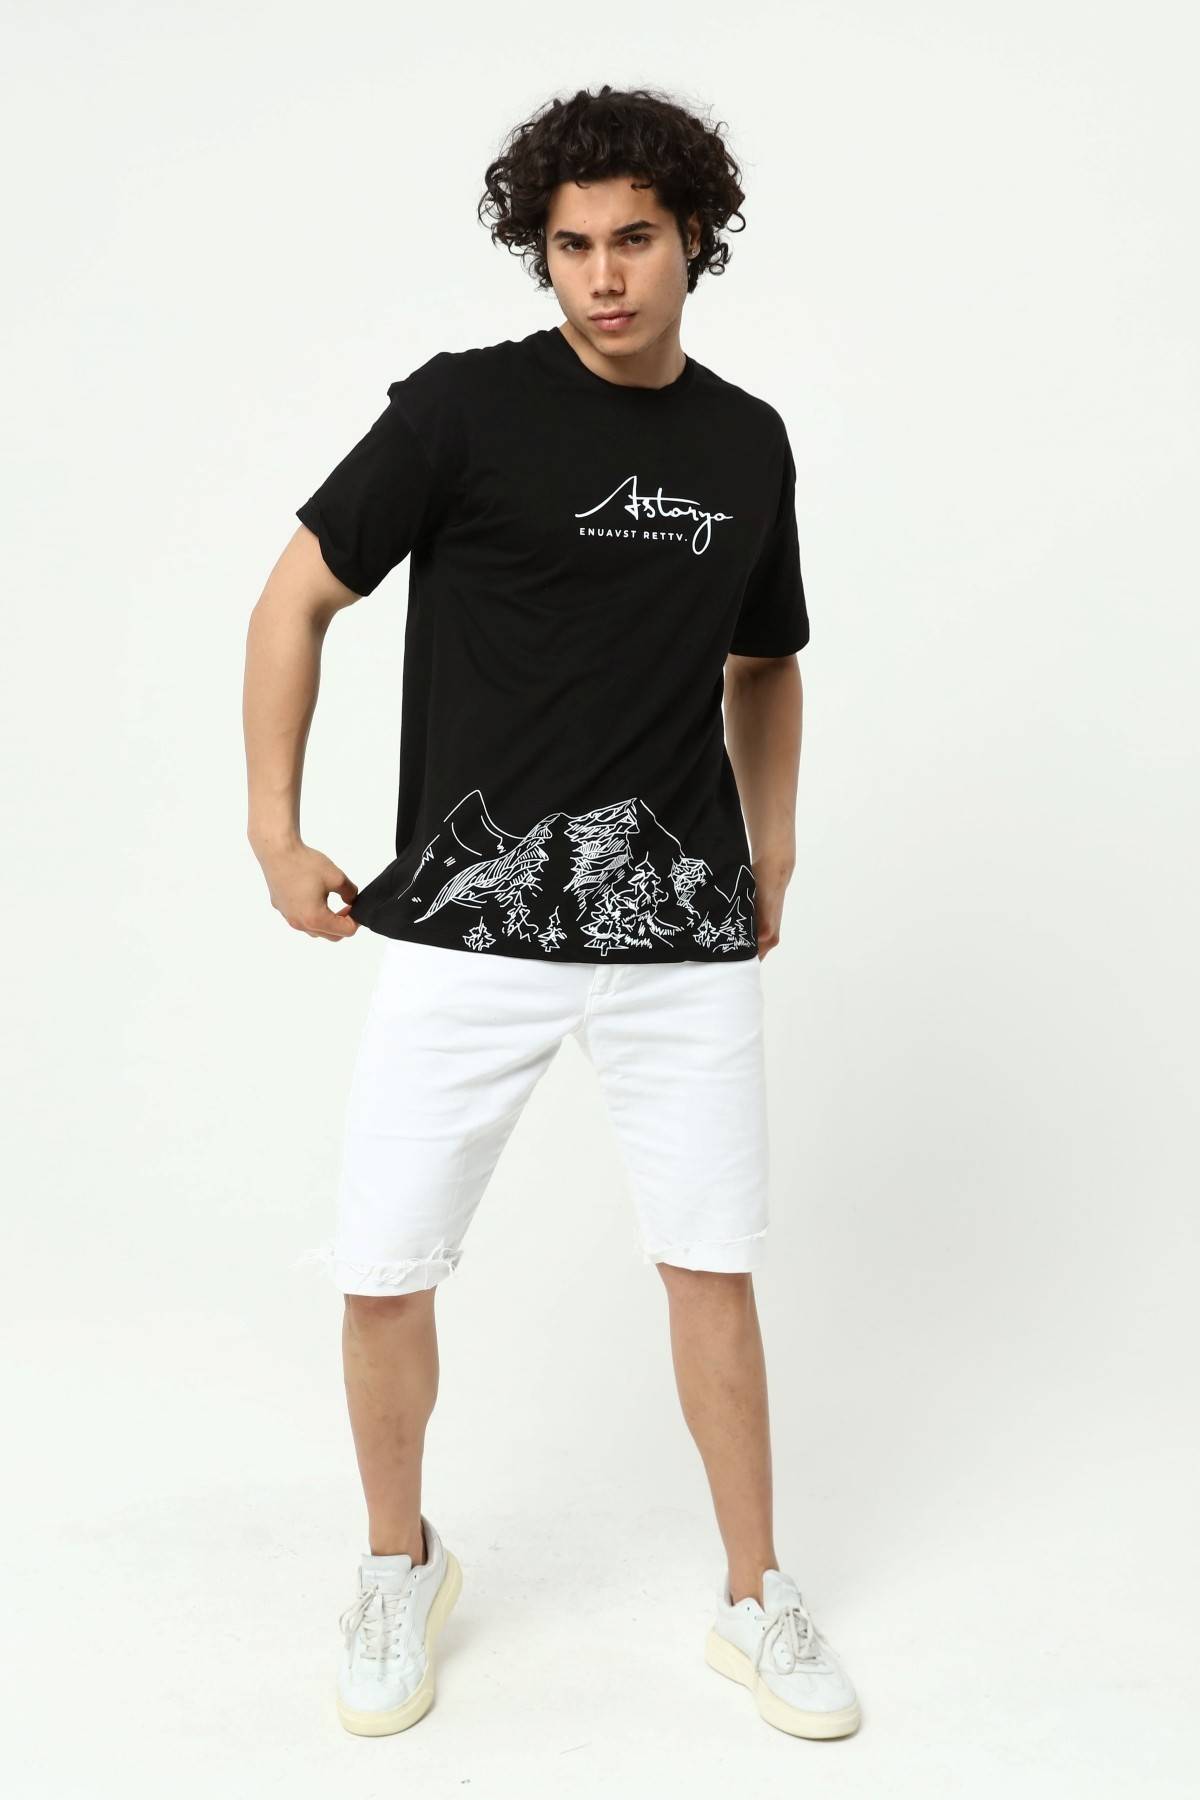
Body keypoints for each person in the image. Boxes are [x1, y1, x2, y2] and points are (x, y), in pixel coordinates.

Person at [243, 82, 860, 1742]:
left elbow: (766, 662)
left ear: (693, 240)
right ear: (543, 252)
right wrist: (273, 831)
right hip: (464, 931)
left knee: (711, 1265)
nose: (604, 276)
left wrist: (774, 852)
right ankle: (399, 1565)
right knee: (386, 1262)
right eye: (573, 246)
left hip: (680, 936)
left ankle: (755, 1596)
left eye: (635, 240)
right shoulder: (462, 412)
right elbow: (296, 599)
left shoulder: (745, 443)